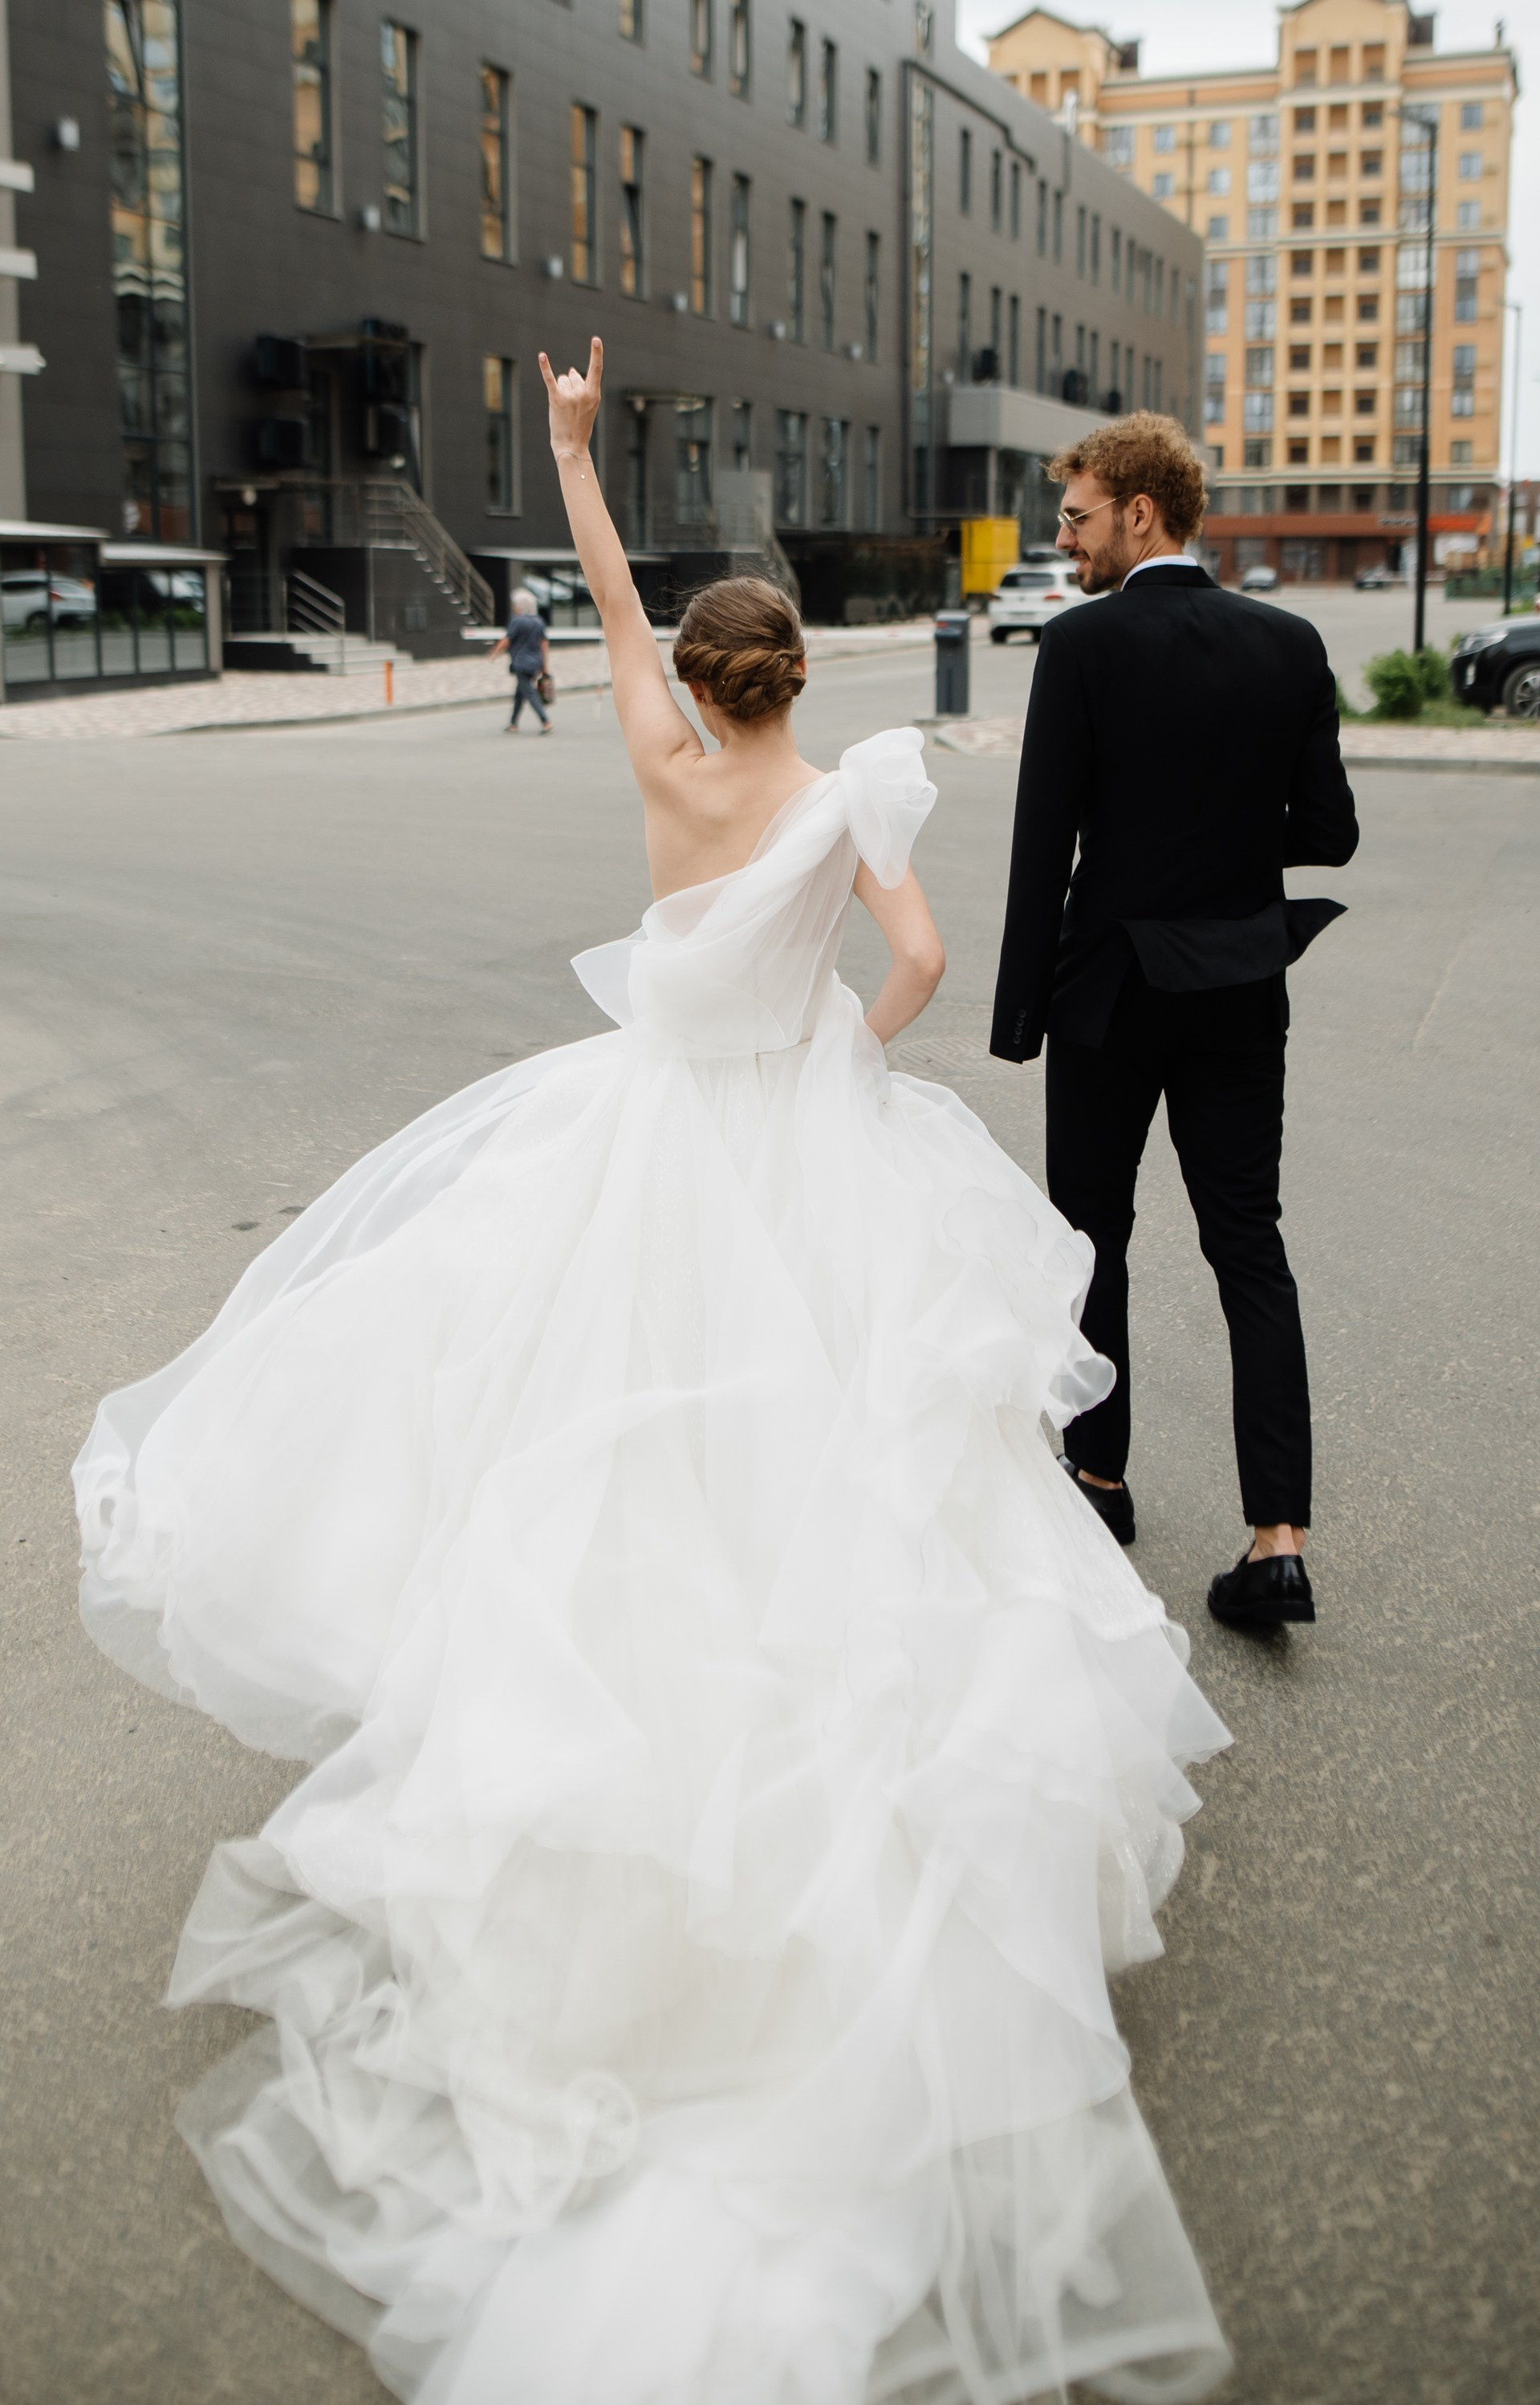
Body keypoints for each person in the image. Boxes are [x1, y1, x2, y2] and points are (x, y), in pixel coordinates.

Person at [75, 342, 1233, 2405]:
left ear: (701, 682)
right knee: (837, 1457)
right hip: (787, 1142)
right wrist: (844, 1057)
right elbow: (923, 963)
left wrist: (575, 455)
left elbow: (604, 588)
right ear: (794, 680)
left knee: (574, 1432)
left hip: (640, 1138)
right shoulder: (828, 796)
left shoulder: (649, 741)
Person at [989, 412, 1359, 1633]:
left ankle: (1099, 1480)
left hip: (1110, 994)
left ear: (1140, 512)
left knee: (1093, 1238)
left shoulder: (1083, 646)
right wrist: (1227, 839)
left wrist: (1018, 1018)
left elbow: (1046, 846)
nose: (1065, 538)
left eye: (1078, 517)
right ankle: (1278, 1539)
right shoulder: (1291, 645)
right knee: (1249, 1244)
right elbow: (1329, 834)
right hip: (1242, 989)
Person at [489, 584, 553, 732]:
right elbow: (544, 644)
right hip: (535, 661)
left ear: (520, 606)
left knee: (529, 691)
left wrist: (494, 653)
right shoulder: (538, 621)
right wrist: (545, 665)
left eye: (515, 604)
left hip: (521, 662)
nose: (514, 607)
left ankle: (545, 721)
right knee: (520, 693)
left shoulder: (517, 621)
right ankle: (513, 723)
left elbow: (506, 641)